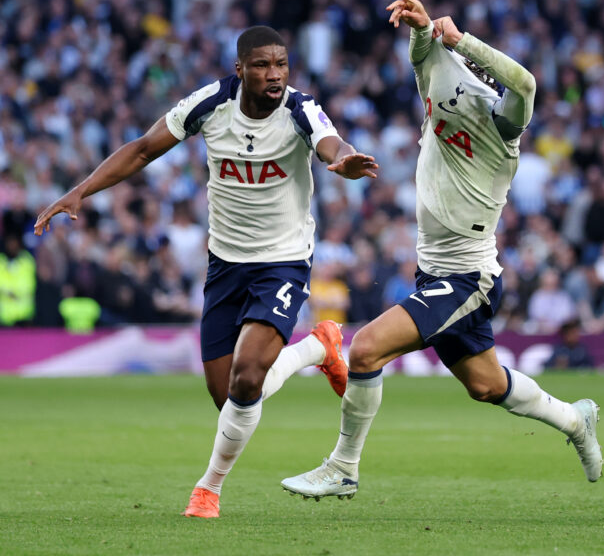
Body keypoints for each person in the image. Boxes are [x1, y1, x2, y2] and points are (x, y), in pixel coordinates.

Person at [33, 26, 380, 518]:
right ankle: (317, 348)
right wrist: (80, 192)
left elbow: (331, 142)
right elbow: (142, 149)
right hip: (225, 265)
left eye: (281, 63)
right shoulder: (210, 103)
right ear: (240, 70)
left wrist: (343, 162)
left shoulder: (301, 108)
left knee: (245, 382)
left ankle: (208, 489)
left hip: (282, 262)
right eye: (262, 64)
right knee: (230, 399)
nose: (274, 74)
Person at [280, 0, 603, 501]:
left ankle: (343, 468)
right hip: (436, 274)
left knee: (364, 350)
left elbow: (526, 82)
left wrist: (460, 39)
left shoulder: (502, 129)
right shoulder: (439, 103)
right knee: (487, 386)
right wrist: (421, 26)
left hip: (467, 280)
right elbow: (422, 59)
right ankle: (575, 419)